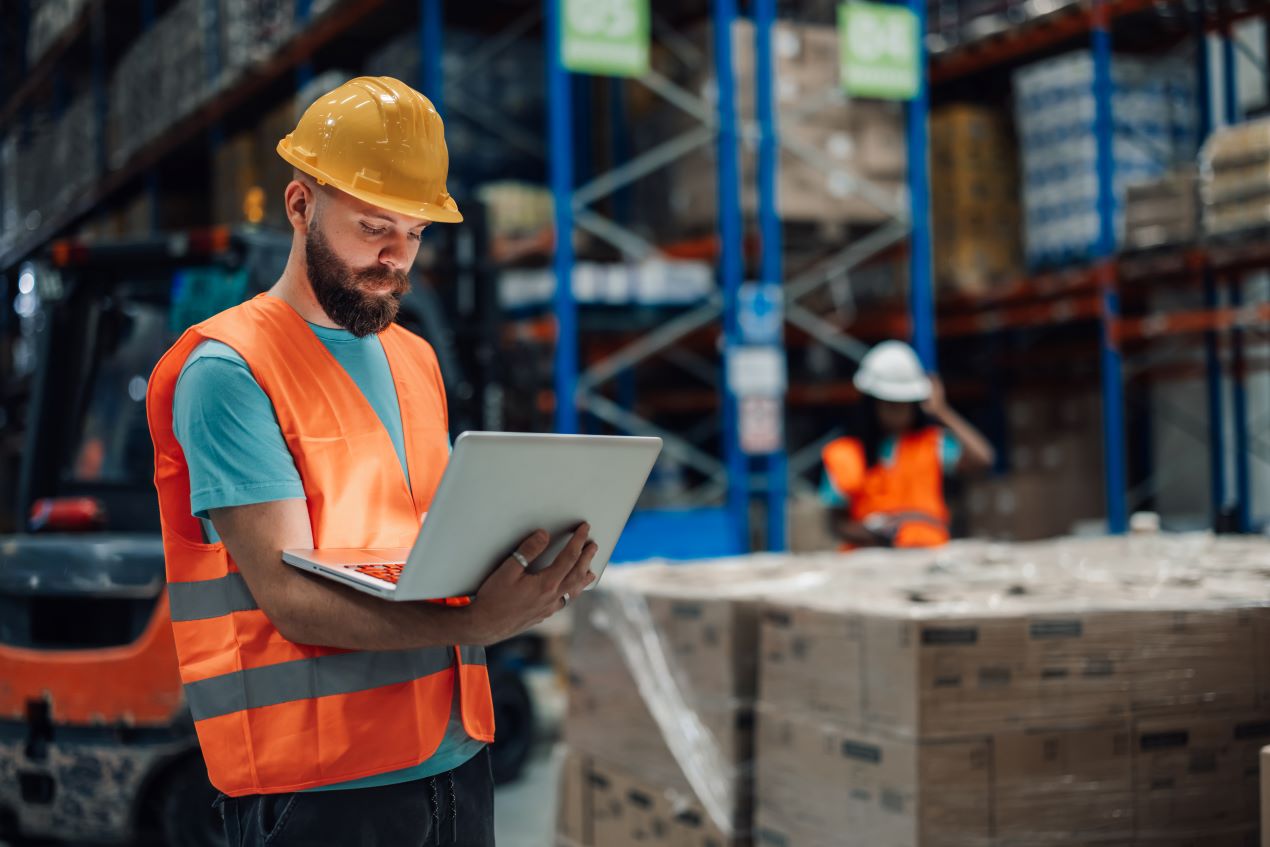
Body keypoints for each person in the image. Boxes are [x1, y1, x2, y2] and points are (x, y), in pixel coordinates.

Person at [146, 77, 593, 846]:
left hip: (453, 751)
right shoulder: (230, 370)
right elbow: (287, 598)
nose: (395, 258)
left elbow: (424, 545)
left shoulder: (413, 357)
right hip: (321, 788)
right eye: (373, 227)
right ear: (299, 206)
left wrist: (530, 566)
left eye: (415, 233)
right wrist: (478, 622)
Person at [820, 340, 995, 549]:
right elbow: (835, 523)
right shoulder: (844, 454)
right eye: (890, 404)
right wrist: (872, 534)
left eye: (904, 405)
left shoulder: (931, 444)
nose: (898, 412)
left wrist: (942, 411)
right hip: (868, 560)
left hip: (927, 553)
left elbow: (983, 458)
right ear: (871, 403)